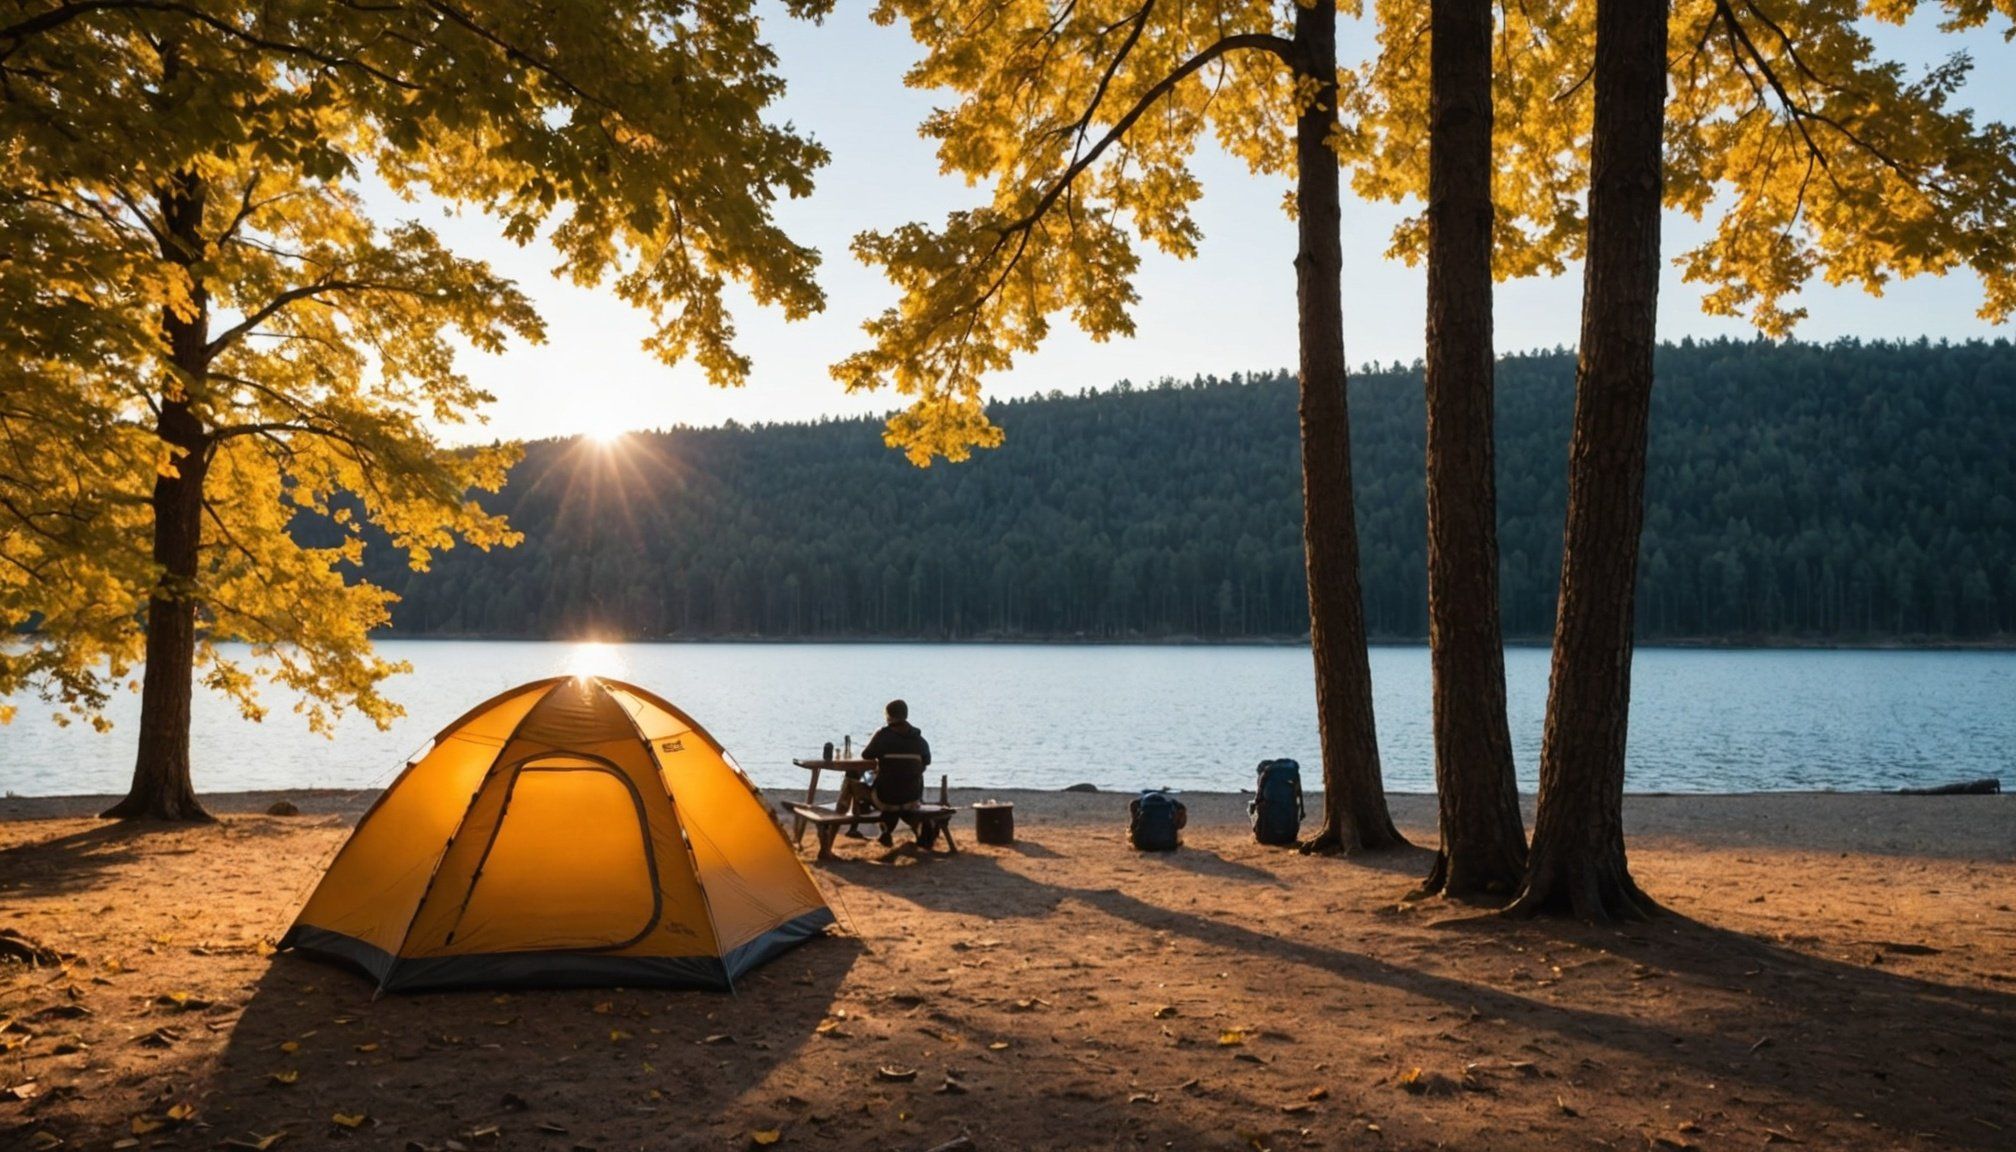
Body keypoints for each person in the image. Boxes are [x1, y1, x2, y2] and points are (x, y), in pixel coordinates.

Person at [841, 699, 932, 845]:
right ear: (906, 715)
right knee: (912, 775)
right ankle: (890, 829)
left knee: (852, 775)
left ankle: (851, 824)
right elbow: (926, 762)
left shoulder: (883, 735)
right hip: (912, 797)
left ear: (888, 716)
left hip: (885, 797)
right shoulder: (920, 740)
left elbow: (866, 755)